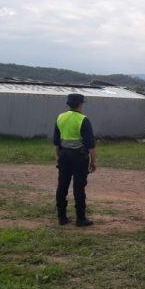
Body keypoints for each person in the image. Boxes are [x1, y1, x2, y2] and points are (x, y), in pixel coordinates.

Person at [53, 93, 97, 227]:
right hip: (79, 157)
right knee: (79, 187)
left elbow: (57, 142)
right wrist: (93, 162)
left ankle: (62, 217)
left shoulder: (60, 117)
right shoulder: (83, 119)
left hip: (63, 155)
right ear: (80, 104)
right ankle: (80, 218)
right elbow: (90, 145)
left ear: (68, 104)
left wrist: (58, 157)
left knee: (62, 185)